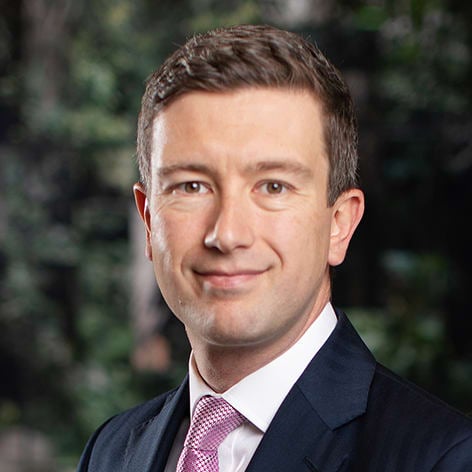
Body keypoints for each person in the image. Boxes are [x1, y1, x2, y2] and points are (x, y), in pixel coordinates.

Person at [77, 24, 472, 471]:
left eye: (273, 186)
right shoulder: (109, 451)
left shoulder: (444, 458)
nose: (227, 234)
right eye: (192, 186)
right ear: (149, 222)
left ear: (339, 225)